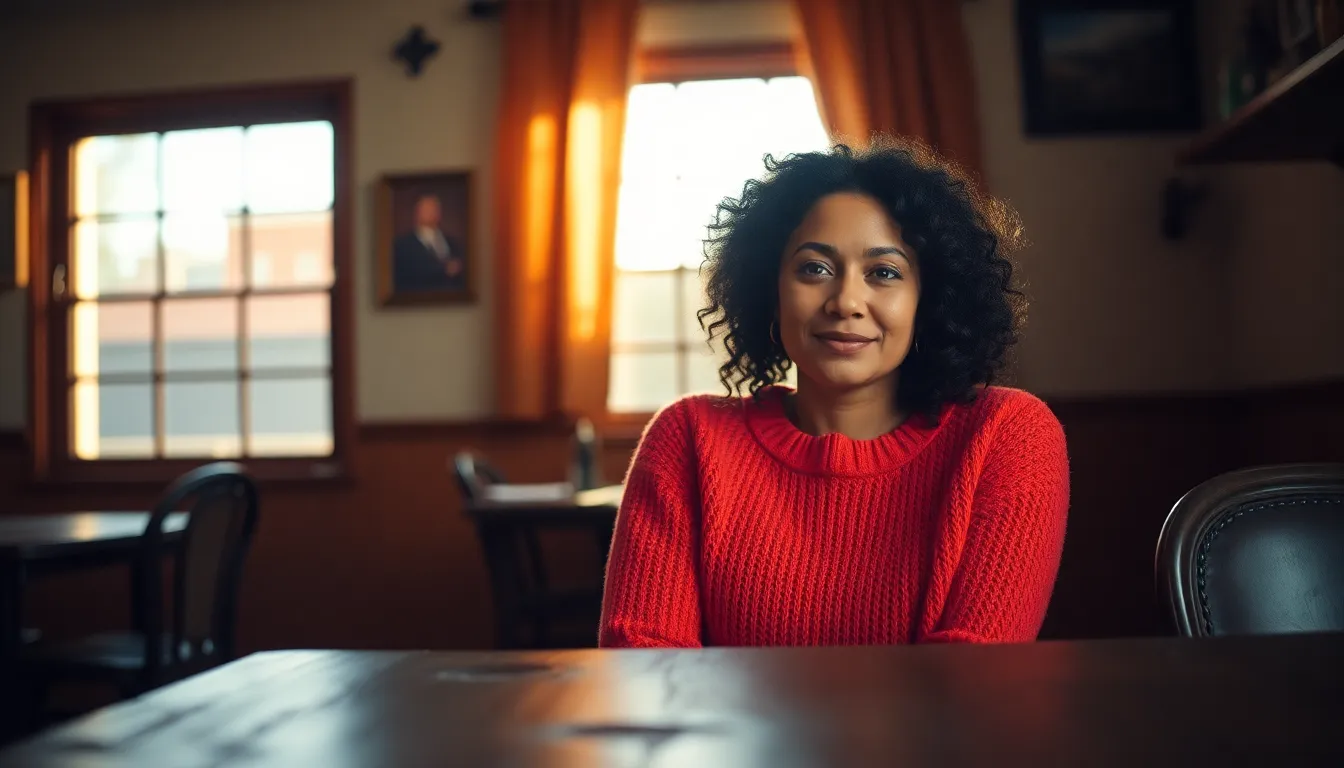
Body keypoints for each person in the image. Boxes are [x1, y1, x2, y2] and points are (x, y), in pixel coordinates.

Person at [599, 138, 1070, 647]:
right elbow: (643, 662)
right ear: (771, 291)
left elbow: (975, 679)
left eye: (884, 273)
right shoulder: (687, 438)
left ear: (928, 301)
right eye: (814, 269)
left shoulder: (1006, 434)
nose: (846, 300)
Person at [393, 194, 465, 292]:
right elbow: (408, 274)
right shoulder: (403, 245)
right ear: (417, 213)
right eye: (426, 209)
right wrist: (444, 269)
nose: (431, 213)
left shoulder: (452, 242)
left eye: (434, 209)